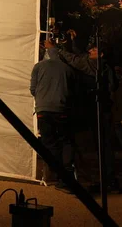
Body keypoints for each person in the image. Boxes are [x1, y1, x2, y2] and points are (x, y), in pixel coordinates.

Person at [45, 37, 120, 192]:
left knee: (102, 146)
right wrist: (69, 43)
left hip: (99, 110)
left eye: (94, 50)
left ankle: (109, 182)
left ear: (101, 55)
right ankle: (108, 181)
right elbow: (79, 57)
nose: (90, 51)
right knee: (102, 146)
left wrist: (54, 49)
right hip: (100, 110)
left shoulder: (97, 65)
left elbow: (76, 61)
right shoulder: (102, 65)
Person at [30, 45, 77, 193]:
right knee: (66, 140)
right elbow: (72, 91)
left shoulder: (38, 67)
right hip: (61, 109)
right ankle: (66, 174)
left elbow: (32, 89)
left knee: (49, 141)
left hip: (43, 109)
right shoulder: (68, 69)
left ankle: (55, 172)